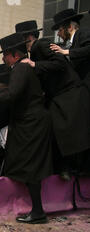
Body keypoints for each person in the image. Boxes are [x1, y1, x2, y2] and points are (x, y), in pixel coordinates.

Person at [16, 20, 90, 180]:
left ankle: (69, 169)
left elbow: (59, 63)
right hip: (60, 98)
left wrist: (35, 64)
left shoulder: (42, 45)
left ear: (28, 37)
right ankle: (65, 169)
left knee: (67, 134)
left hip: (69, 96)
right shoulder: (35, 51)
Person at [0, 33, 53, 224]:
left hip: (31, 124)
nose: (3, 59)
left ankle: (38, 212)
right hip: (31, 122)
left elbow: (12, 95)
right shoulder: (23, 67)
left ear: (14, 55)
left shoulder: (20, 69)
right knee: (30, 166)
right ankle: (37, 210)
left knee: (31, 166)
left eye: (5, 55)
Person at [49, 9, 90, 89]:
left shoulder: (83, 33)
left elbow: (88, 49)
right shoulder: (68, 44)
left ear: (70, 27)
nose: (58, 34)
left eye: (60, 30)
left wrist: (66, 52)